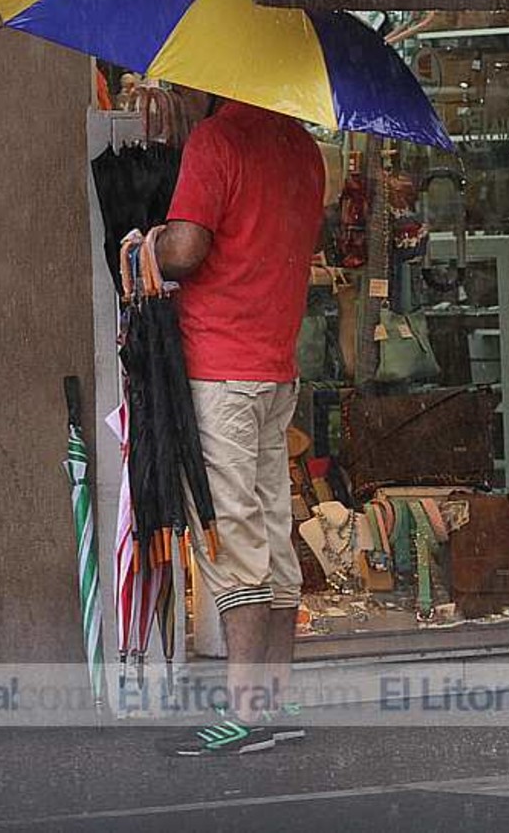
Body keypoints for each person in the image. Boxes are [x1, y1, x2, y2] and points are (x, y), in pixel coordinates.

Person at [149, 88, 325, 757]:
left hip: (218, 364)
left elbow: (186, 250)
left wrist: (147, 242)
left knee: (231, 537)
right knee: (272, 531)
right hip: (274, 363)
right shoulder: (303, 149)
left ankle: (245, 711)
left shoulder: (216, 142)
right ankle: (275, 699)